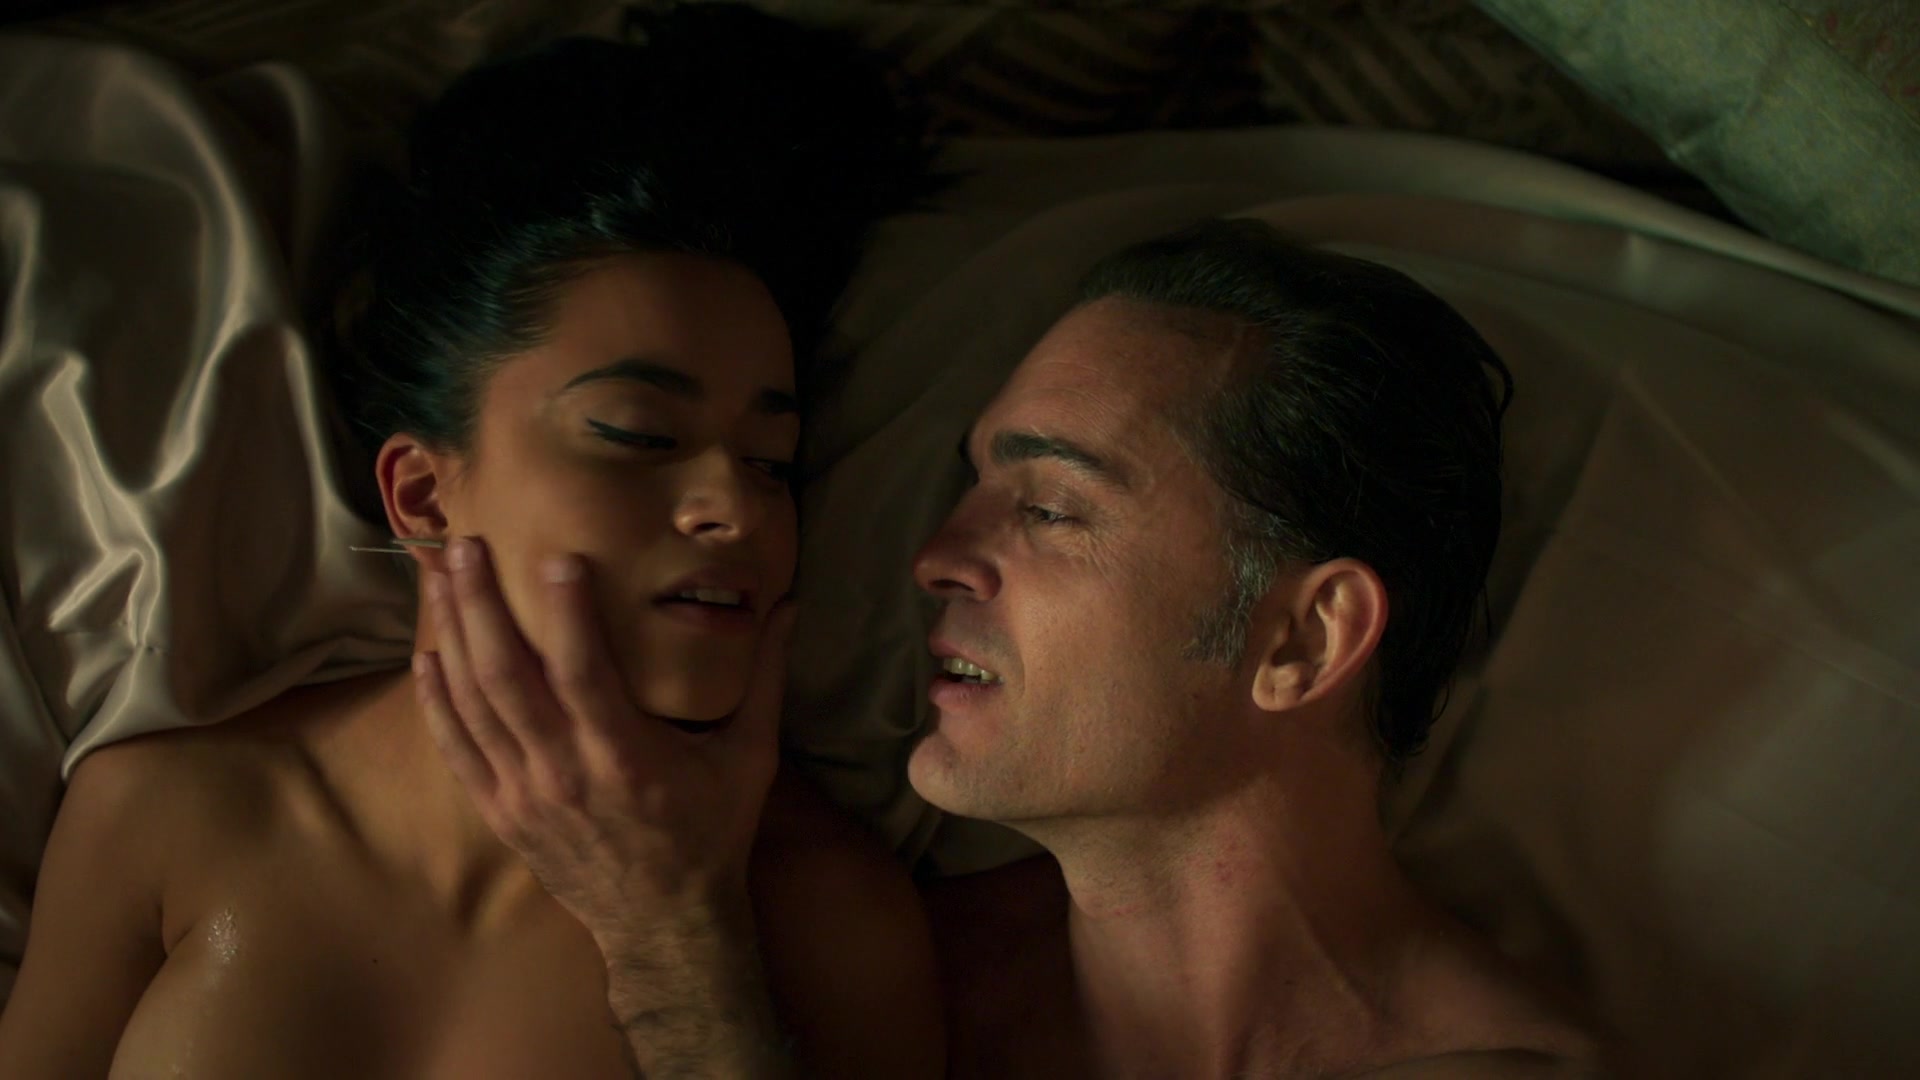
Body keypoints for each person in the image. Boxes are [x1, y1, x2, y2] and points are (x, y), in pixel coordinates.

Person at [407, 219, 1608, 1077]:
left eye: (1048, 508)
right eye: (972, 486)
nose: (936, 556)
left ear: (1301, 636)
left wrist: (669, 952)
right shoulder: (856, 965)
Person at [0, 9, 942, 1079]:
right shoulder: (172, 811)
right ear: (420, 493)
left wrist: (676, 935)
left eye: (772, 460)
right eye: (638, 434)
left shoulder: (824, 916)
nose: (737, 506)